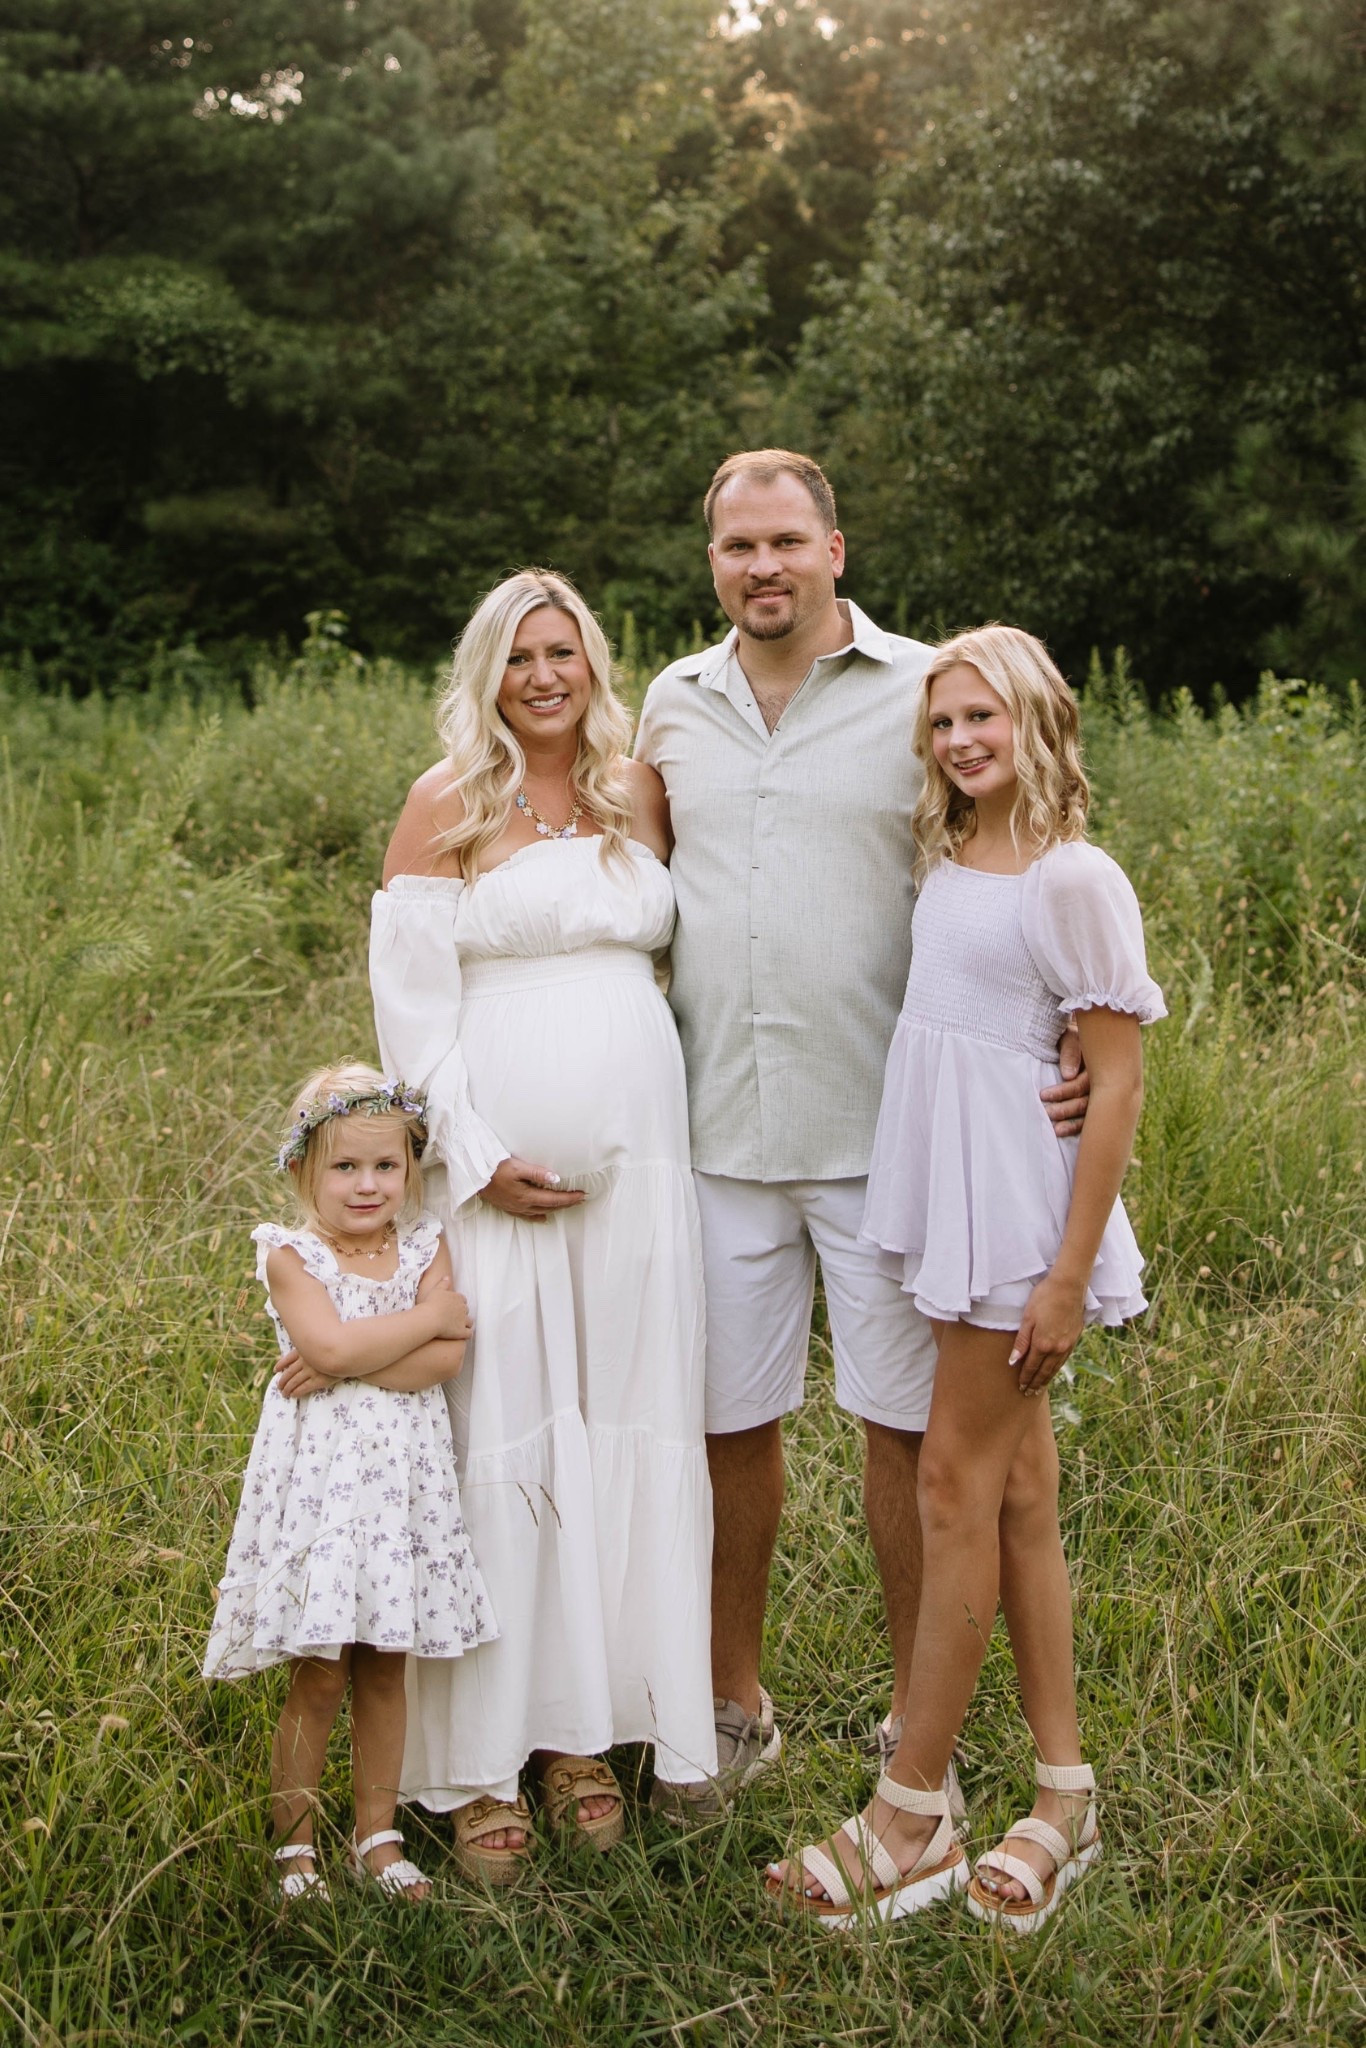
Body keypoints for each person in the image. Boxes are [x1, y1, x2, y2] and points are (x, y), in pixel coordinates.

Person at [634, 451, 1091, 1814]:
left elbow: (1027, 842)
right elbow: (628, 888)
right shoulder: (670, 703)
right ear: (710, 561)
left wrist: (1067, 1021)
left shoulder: (918, 693)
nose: (759, 567)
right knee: (729, 1424)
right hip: (714, 1126)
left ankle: (915, 1729)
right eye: (734, 548)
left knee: (903, 1433)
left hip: (893, 1136)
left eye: (783, 541)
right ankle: (731, 1700)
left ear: (835, 549)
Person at [767, 624, 1165, 1929]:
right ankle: (1063, 1792)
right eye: (940, 724)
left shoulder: (1068, 875)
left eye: (980, 718)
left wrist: (1062, 1280)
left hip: (1013, 1223)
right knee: (1020, 1500)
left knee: (952, 1480)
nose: (958, 742)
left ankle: (913, 1804)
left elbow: (1113, 1082)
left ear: (1037, 718)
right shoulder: (957, 855)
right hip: (951, 1190)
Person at [369, 568, 716, 1877]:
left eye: (562, 652)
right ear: (487, 673)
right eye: (519, 657)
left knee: (625, 1419)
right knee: (506, 1435)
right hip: (497, 1177)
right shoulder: (443, 804)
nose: (544, 676)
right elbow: (410, 1012)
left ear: (593, 662)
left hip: (642, 1179)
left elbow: (686, 962)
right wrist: (472, 1153)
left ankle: (588, 1732)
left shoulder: (638, 794)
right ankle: (475, 1767)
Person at [204, 1062, 492, 1904]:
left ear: (411, 1167)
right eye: (344, 1167)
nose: (368, 1185)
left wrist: (367, 1354)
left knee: (385, 1665)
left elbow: (443, 1361)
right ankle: (294, 1846)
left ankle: (379, 1834)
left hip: (405, 1492)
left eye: (387, 1166)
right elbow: (325, 1350)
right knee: (322, 1667)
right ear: (302, 1171)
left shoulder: (424, 1245)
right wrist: (420, 1323)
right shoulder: (292, 1256)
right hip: (325, 1495)